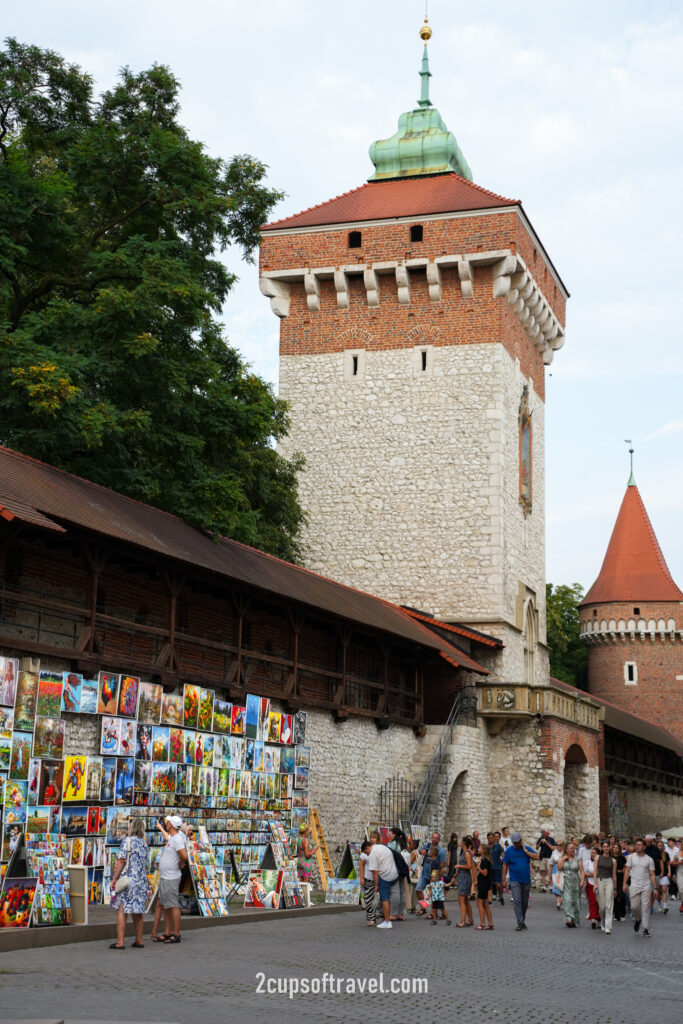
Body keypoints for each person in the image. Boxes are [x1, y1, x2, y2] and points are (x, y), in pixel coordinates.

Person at [109, 817, 150, 949]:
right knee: (138, 912)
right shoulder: (144, 844)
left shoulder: (127, 841)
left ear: (131, 828)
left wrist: (115, 878)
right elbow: (146, 864)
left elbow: (121, 861)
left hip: (128, 881)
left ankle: (120, 942)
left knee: (122, 909)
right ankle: (139, 940)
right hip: (141, 881)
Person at [157, 814, 187, 944]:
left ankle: (176, 933)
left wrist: (181, 863)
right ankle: (168, 932)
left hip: (171, 878)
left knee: (173, 906)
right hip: (166, 877)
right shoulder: (173, 838)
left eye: (167, 822)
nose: (166, 824)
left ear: (171, 825)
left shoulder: (178, 839)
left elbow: (184, 856)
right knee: (167, 906)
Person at [501, 831, 540, 931]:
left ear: (521, 841)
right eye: (514, 843)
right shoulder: (509, 850)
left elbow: (537, 857)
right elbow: (505, 865)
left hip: (526, 879)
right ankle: (520, 921)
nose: (516, 845)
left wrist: (526, 852)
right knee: (517, 901)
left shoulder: (526, 848)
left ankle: (522, 919)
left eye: (517, 843)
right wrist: (503, 879)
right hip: (514, 880)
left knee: (525, 902)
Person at [623, 837, 657, 937]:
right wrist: (624, 884)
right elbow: (627, 871)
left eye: (639, 845)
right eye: (636, 845)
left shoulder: (649, 859)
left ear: (644, 847)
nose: (637, 847)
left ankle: (645, 928)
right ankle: (638, 920)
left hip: (646, 885)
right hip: (634, 885)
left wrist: (655, 888)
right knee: (634, 907)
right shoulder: (631, 857)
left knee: (646, 907)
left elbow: (652, 874)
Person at [367, 835, 398, 930]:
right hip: (394, 873)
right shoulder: (382, 847)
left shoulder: (372, 853)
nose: (367, 854)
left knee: (384, 898)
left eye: (366, 852)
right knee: (387, 897)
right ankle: (387, 919)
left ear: (367, 848)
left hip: (385, 876)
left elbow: (375, 872)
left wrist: (376, 885)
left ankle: (387, 921)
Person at [415, 831, 446, 915]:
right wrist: (423, 852)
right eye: (433, 837)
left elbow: (442, 866)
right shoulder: (428, 846)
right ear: (431, 838)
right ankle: (423, 908)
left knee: (434, 895)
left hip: (434, 876)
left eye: (436, 838)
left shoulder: (441, 851)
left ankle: (435, 913)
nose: (434, 839)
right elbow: (420, 850)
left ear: (439, 839)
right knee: (418, 890)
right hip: (424, 874)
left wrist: (437, 876)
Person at [594, 839, 617, 935]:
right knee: (602, 906)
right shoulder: (597, 857)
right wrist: (595, 884)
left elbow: (614, 875)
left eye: (607, 846)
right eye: (604, 846)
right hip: (600, 880)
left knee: (609, 905)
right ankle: (602, 922)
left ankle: (608, 926)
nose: (606, 848)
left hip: (609, 881)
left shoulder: (613, 860)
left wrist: (615, 888)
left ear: (609, 847)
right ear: (601, 847)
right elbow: (595, 871)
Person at [558, 841, 581, 927]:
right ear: (566, 850)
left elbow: (581, 871)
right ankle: (568, 919)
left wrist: (582, 881)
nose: (573, 850)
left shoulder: (578, 859)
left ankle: (574, 919)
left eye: (574, 848)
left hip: (575, 881)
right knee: (567, 900)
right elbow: (559, 868)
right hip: (566, 881)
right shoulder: (562, 858)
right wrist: (564, 859)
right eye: (571, 848)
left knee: (574, 901)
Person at [388, 827, 408, 920]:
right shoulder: (403, 843)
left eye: (390, 833)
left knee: (395, 891)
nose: (389, 835)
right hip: (402, 869)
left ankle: (393, 913)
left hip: (395, 869)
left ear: (394, 834)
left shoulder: (392, 844)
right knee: (401, 891)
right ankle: (400, 913)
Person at [454, 835, 475, 927]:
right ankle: (470, 920)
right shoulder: (464, 852)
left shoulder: (466, 853)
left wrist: (458, 866)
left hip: (465, 878)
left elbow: (469, 866)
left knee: (461, 899)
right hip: (462, 877)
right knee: (465, 900)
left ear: (463, 843)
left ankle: (462, 921)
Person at [580, 836, 600, 928]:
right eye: (586, 843)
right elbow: (580, 861)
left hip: (597, 879)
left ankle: (597, 916)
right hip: (586, 873)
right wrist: (583, 874)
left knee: (598, 901)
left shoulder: (594, 850)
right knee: (590, 899)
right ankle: (592, 916)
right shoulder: (582, 850)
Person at [359, 839, 378, 926]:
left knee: (380, 899)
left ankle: (381, 916)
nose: (372, 839)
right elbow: (361, 865)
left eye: (374, 837)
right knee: (369, 900)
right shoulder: (364, 854)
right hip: (368, 878)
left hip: (379, 878)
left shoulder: (378, 850)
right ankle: (371, 918)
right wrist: (362, 878)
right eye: (370, 837)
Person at [475, 844, 493, 930]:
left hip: (484, 884)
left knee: (479, 903)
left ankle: (482, 923)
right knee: (485, 904)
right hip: (483, 883)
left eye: (479, 848)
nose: (478, 849)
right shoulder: (484, 859)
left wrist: (478, 867)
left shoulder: (485, 860)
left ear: (484, 851)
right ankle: (490, 923)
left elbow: (485, 873)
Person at [612, 841, 627, 922]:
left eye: (617, 848)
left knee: (621, 895)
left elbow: (625, 867)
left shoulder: (622, 857)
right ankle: (616, 913)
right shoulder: (610, 857)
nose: (615, 849)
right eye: (614, 847)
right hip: (612, 877)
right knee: (614, 896)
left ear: (619, 849)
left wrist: (622, 871)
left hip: (620, 877)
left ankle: (622, 912)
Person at [407, 838, 422, 914]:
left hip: (413, 873)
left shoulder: (413, 853)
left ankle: (410, 907)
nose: (409, 845)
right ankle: (414, 906)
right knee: (415, 891)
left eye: (410, 844)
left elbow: (410, 862)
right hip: (417, 874)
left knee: (410, 890)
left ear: (414, 845)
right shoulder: (418, 853)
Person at [490, 831, 504, 905]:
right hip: (490, 868)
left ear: (499, 838)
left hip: (498, 867)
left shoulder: (498, 846)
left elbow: (503, 855)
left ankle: (501, 896)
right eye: (494, 837)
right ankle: (491, 897)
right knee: (491, 883)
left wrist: (504, 863)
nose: (496, 838)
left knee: (498, 884)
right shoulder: (489, 846)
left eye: (497, 837)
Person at [550, 840, 565, 910]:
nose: (558, 846)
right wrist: (549, 873)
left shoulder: (564, 852)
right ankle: (558, 902)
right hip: (555, 869)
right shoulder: (554, 853)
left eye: (560, 845)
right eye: (557, 845)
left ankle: (561, 900)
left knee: (562, 885)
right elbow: (551, 863)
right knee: (556, 885)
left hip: (563, 869)